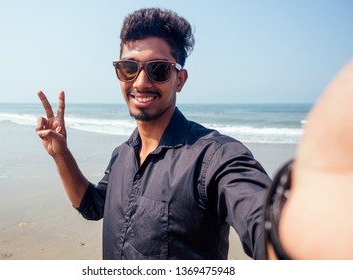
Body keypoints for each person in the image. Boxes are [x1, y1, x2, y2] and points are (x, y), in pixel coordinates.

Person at [36, 7, 271, 260]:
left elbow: (264, 221)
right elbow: (92, 205)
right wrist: (61, 154)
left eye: (158, 69)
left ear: (179, 80)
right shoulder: (122, 154)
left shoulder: (214, 157)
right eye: (129, 67)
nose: (140, 82)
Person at [264, 59, 353, 260]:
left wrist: (286, 239)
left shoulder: (219, 155)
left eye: (173, 70)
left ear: (181, 79)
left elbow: (251, 207)